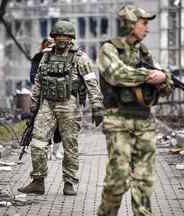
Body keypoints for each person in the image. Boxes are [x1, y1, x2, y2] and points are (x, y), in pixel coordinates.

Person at [97, 6, 173, 216]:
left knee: (144, 181)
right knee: (117, 180)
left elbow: (165, 85)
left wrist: (164, 78)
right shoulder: (109, 49)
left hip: (144, 122)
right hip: (118, 121)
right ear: (130, 23)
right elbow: (116, 74)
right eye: (144, 23)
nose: (147, 29)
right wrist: (151, 75)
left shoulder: (144, 53)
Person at [18, 20, 104, 196]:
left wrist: (97, 105)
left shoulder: (80, 58)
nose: (62, 39)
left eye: (66, 36)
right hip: (47, 105)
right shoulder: (46, 56)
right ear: (54, 37)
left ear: (71, 38)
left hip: (69, 105)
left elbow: (91, 83)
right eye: (59, 36)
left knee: (69, 145)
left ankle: (69, 182)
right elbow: (38, 83)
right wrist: (33, 106)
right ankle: (38, 181)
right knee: (38, 142)